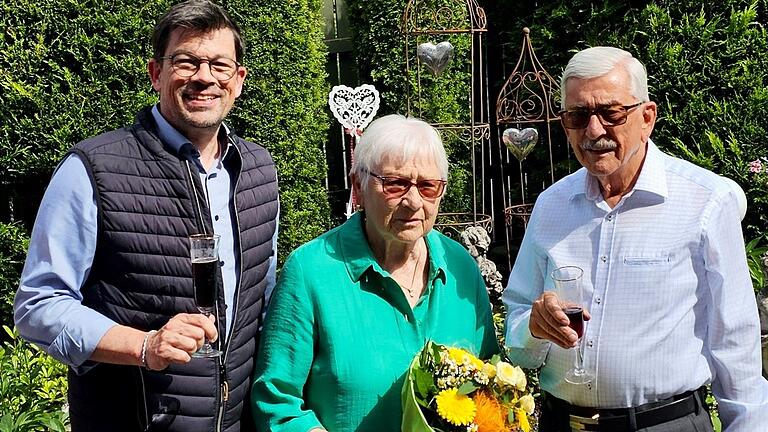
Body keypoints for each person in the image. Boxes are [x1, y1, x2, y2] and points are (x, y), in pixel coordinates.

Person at [13, 1, 278, 431]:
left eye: (220, 65)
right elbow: (39, 304)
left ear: (239, 80)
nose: (204, 77)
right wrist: (145, 345)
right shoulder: (94, 168)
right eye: (187, 62)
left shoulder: (259, 170)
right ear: (156, 73)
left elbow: (261, 297)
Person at [503, 46, 768, 432]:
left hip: (664, 424)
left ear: (647, 118)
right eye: (578, 116)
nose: (594, 131)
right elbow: (518, 321)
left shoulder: (705, 202)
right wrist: (534, 326)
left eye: (611, 113)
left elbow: (736, 342)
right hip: (561, 423)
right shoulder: (551, 205)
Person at [250, 114, 498, 432]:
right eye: (395, 184)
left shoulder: (460, 266)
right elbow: (276, 403)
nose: (412, 201)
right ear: (358, 186)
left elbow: (489, 377)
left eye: (428, 186)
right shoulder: (312, 271)